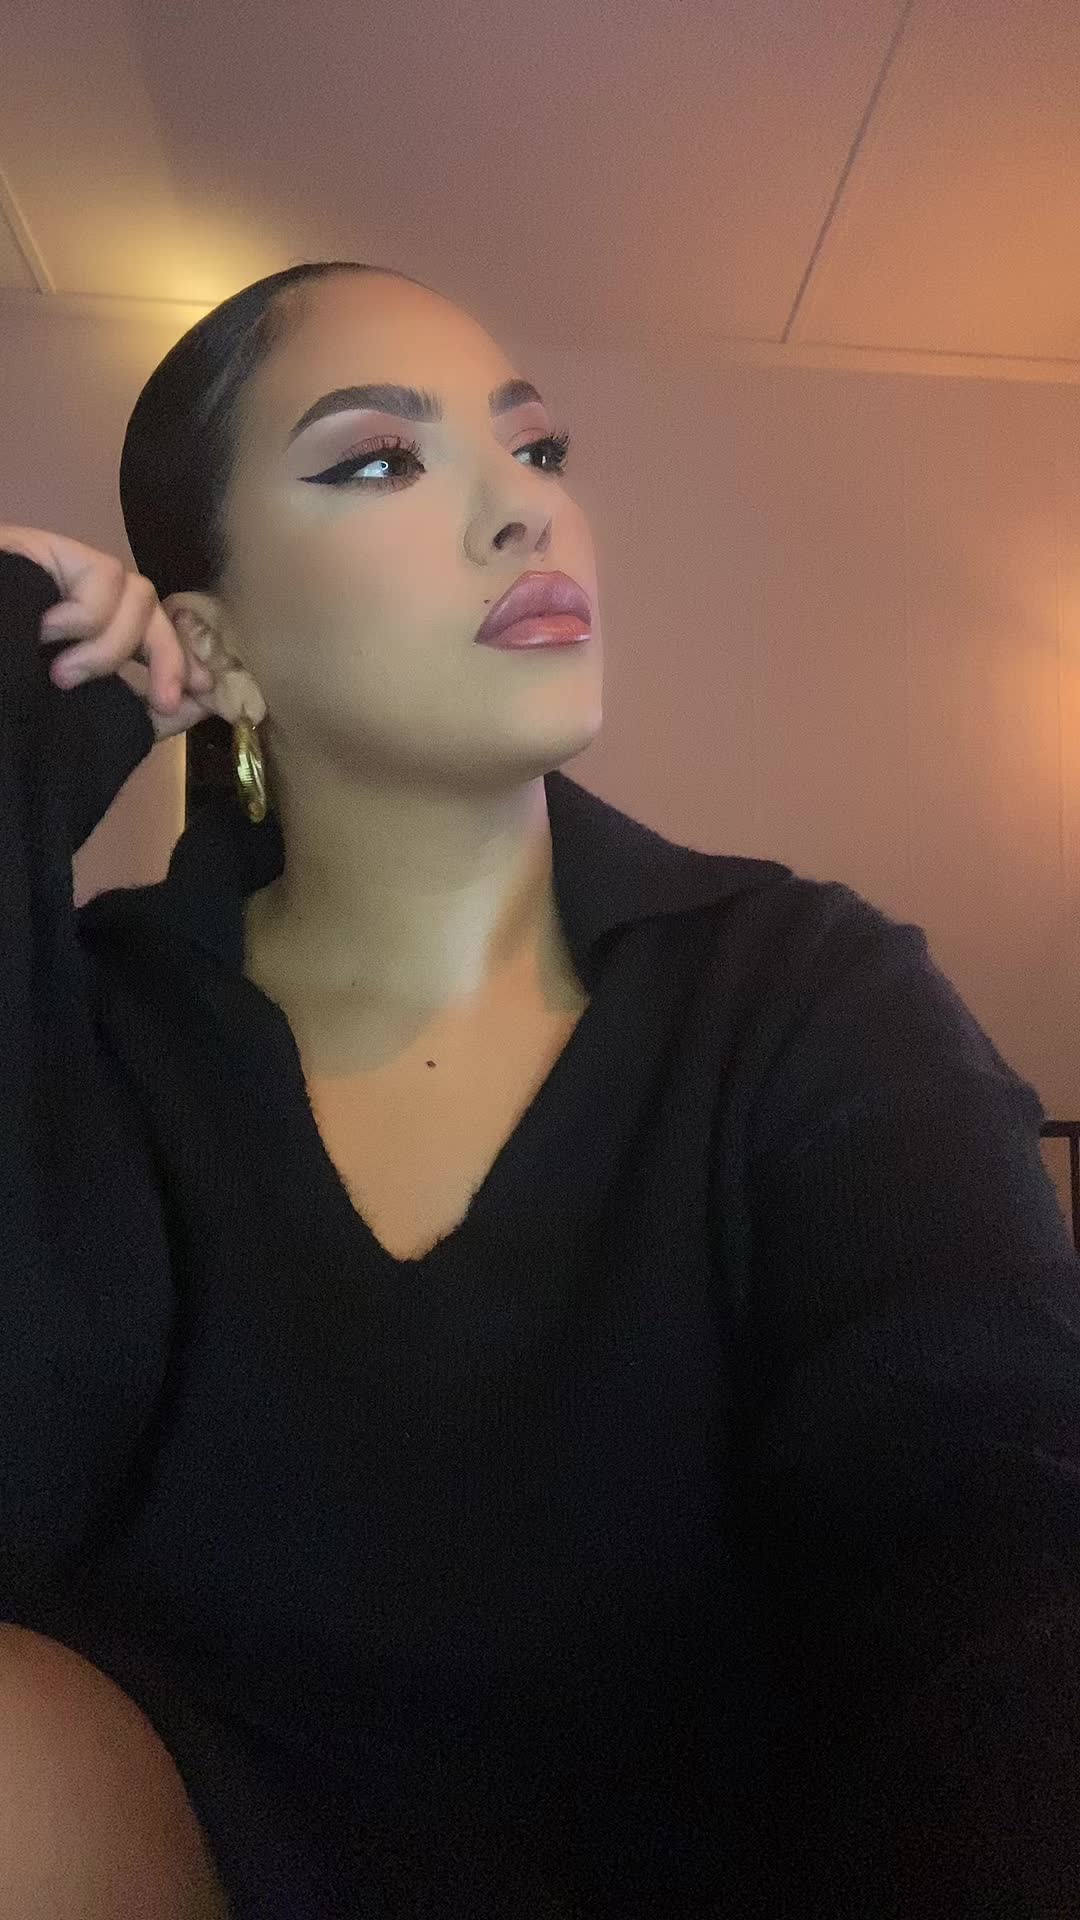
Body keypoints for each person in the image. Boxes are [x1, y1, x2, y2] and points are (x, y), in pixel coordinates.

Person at [2, 259, 1079, 1920]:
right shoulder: (100, 1023)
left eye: (538, 448)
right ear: (211, 639)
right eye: (381, 458)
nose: (527, 510)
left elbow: (988, 1508)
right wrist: (24, 721)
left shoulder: (803, 989)